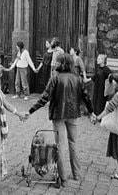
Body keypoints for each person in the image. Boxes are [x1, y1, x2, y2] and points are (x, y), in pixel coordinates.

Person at [23, 54, 94, 188]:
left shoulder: (55, 77)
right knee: (73, 143)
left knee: (59, 146)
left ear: (62, 63)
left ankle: (63, 179)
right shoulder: (78, 78)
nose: (55, 63)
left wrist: (30, 111)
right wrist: (92, 112)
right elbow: (86, 96)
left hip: (59, 114)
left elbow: (45, 97)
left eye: (57, 61)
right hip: (73, 113)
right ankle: (77, 174)